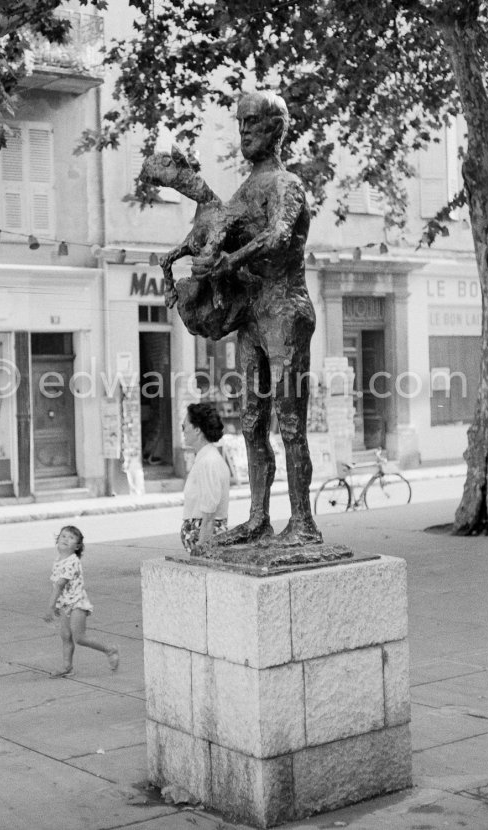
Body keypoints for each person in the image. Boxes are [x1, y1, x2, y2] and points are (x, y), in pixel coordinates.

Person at [191, 90, 322, 547]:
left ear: (276, 129)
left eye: (253, 123)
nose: (244, 131)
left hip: (285, 311)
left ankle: (303, 522)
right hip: (252, 315)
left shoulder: (286, 184)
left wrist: (230, 260)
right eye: (240, 123)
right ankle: (258, 518)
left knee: (290, 423)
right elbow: (221, 229)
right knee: (250, 421)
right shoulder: (244, 190)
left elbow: (280, 236)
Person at [44, 526, 119, 677]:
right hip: (65, 603)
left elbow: (60, 585)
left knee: (79, 637)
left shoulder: (72, 561)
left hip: (77, 603)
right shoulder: (59, 560)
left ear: (77, 546)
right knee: (65, 635)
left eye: (71, 538)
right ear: (57, 540)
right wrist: (58, 604)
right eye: (63, 536)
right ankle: (67, 667)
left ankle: (109, 649)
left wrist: (50, 607)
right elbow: (58, 586)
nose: (66, 539)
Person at [180, 403, 230, 554]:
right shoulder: (204, 459)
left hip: (204, 539)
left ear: (197, 430)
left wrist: (201, 549)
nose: (183, 431)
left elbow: (209, 516)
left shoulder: (209, 462)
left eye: (184, 426)